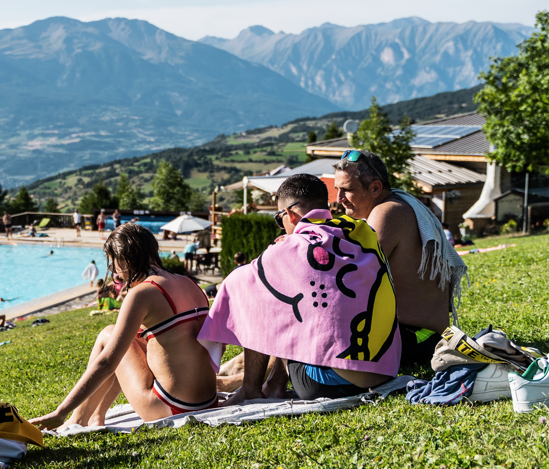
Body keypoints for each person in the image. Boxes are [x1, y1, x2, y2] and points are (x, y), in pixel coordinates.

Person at [203, 174, 402, 402]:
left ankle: (250, 390)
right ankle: (274, 385)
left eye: (280, 220)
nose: (282, 227)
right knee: (297, 305)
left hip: (323, 383)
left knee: (260, 294)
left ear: (290, 214)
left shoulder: (294, 246)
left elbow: (236, 284)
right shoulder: (361, 232)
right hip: (383, 372)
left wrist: (275, 255)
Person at [33, 223, 216, 428]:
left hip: (171, 407)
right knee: (129, 340)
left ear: (125, 259)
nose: (115, 273)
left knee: (108, 335)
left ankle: (77, 419)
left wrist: (60, 411)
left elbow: (107, 362)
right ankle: (95, 416)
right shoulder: (189, 282)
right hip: (208, 401)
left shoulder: (142, 293)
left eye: (113, 264)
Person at [334, 149, 466, 366]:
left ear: (375, 188)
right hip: (423, 336)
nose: (339, 199)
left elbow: (352, 277)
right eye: (337, 189)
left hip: (419, 339)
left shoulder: (387, 212)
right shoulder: (398, 205)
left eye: (347, 190)